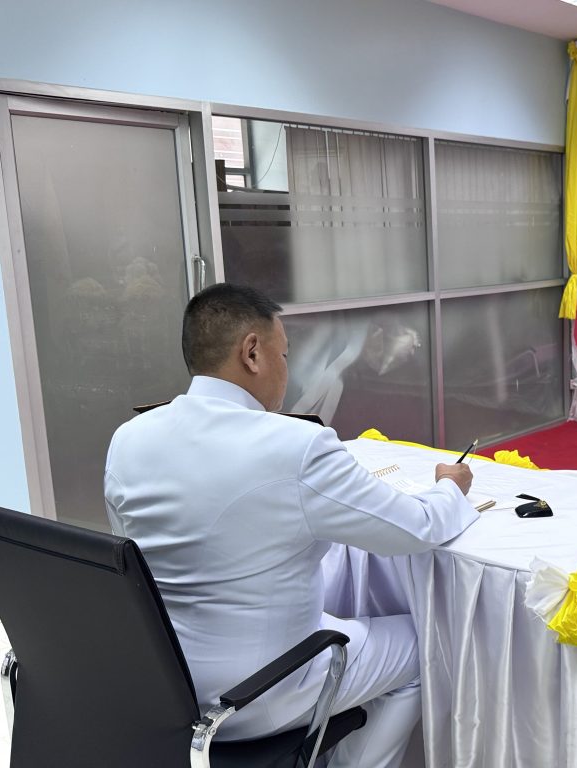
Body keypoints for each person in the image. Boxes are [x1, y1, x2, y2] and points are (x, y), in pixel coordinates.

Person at [104, 283, 479, 768]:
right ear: (252, 353)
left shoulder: (128, 440)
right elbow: (415, 528)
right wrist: (449, 486)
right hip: (260, 689)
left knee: (343, 620)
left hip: (164, 683)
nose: (287, 369)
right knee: (423, 647)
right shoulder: (295, 444)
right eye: (283, 355)